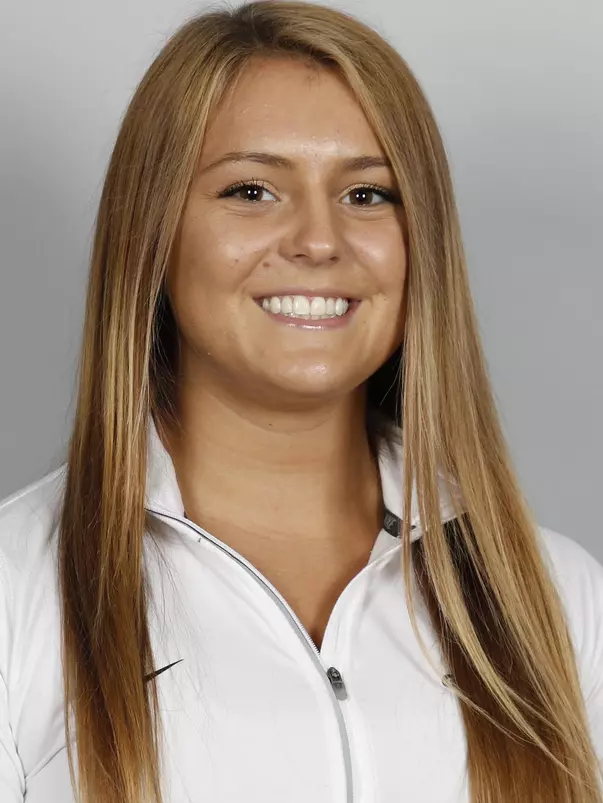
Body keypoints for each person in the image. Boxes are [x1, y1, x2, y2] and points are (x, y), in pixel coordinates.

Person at [0, 1, 601, 801]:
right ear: (151, 233)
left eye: (367, 195)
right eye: (251, 190)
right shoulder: (15, 591)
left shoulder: (555, 597)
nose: (318, 240)